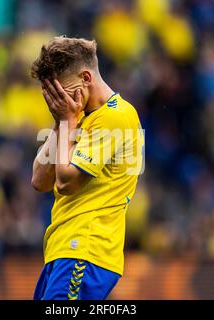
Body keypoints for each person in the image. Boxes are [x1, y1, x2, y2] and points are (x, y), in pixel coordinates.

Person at [31, 36, 144, 300]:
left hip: (86, 248)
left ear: (86, 77)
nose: (60, 101)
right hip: (62, 247)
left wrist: (67, 121)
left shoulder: (115, 116)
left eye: (63, 91)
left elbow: (66, 183)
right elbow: (39, 180)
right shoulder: (75, 115)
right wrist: (61, 123)